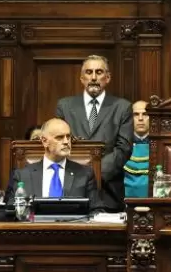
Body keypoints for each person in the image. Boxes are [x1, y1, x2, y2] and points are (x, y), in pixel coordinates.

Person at [55, 55, 132, 211]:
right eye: (89, 72)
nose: (94, 77)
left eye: (99, 72)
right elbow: (59, 144)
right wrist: (79, 177)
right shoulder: (65, 106)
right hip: (71, 190)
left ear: (108, 77)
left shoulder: (122, 107)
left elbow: (124, 148)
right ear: (82, 78)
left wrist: (92, 173)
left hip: (109, 193)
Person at [4, 118, 104, 217]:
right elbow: (11, 210)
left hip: (73, 230)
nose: (66, 142)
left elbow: (97, 211)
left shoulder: (85, 174)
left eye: (68, 137)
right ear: (44, 141)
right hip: (35, 230)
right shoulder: (22, 175)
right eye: (59, 137)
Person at [123, 100, 151, 198]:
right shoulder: (120, 144)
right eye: (136, 114)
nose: (140, 118)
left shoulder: (162, 145)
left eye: (145, 114)